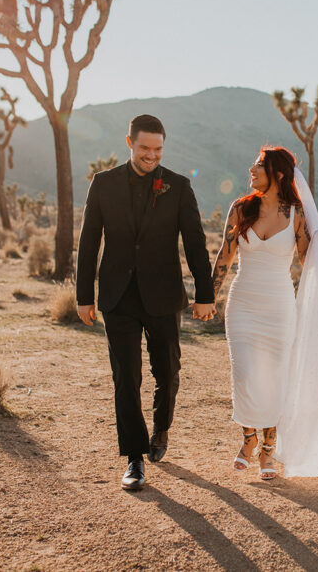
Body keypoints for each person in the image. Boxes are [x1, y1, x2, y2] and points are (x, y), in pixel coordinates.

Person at [76, 114, 216, 491]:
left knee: (167, 371)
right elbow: (89, 242)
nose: (151, 155)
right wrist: (83, 295)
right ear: (129, 143)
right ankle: (134, 458)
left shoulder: (179, 186)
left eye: (158, 149)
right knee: (126, 376)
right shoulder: (102, 184)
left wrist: (205, 294)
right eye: (144, 148)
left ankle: (162, 429)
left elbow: (196, 244)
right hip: (117, 297)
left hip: (164, 295)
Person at [212, 145, 318, 480]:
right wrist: (209, 297)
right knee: (246, 373)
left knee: (276, 379)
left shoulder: (296, 214)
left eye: (259, 164)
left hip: (279, 306)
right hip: (243, 304)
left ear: (277, 173)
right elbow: (225, 255)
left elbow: (308, 263)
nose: (251, 169)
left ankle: (267, 452)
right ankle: (248, 439)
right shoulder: (240, 208)